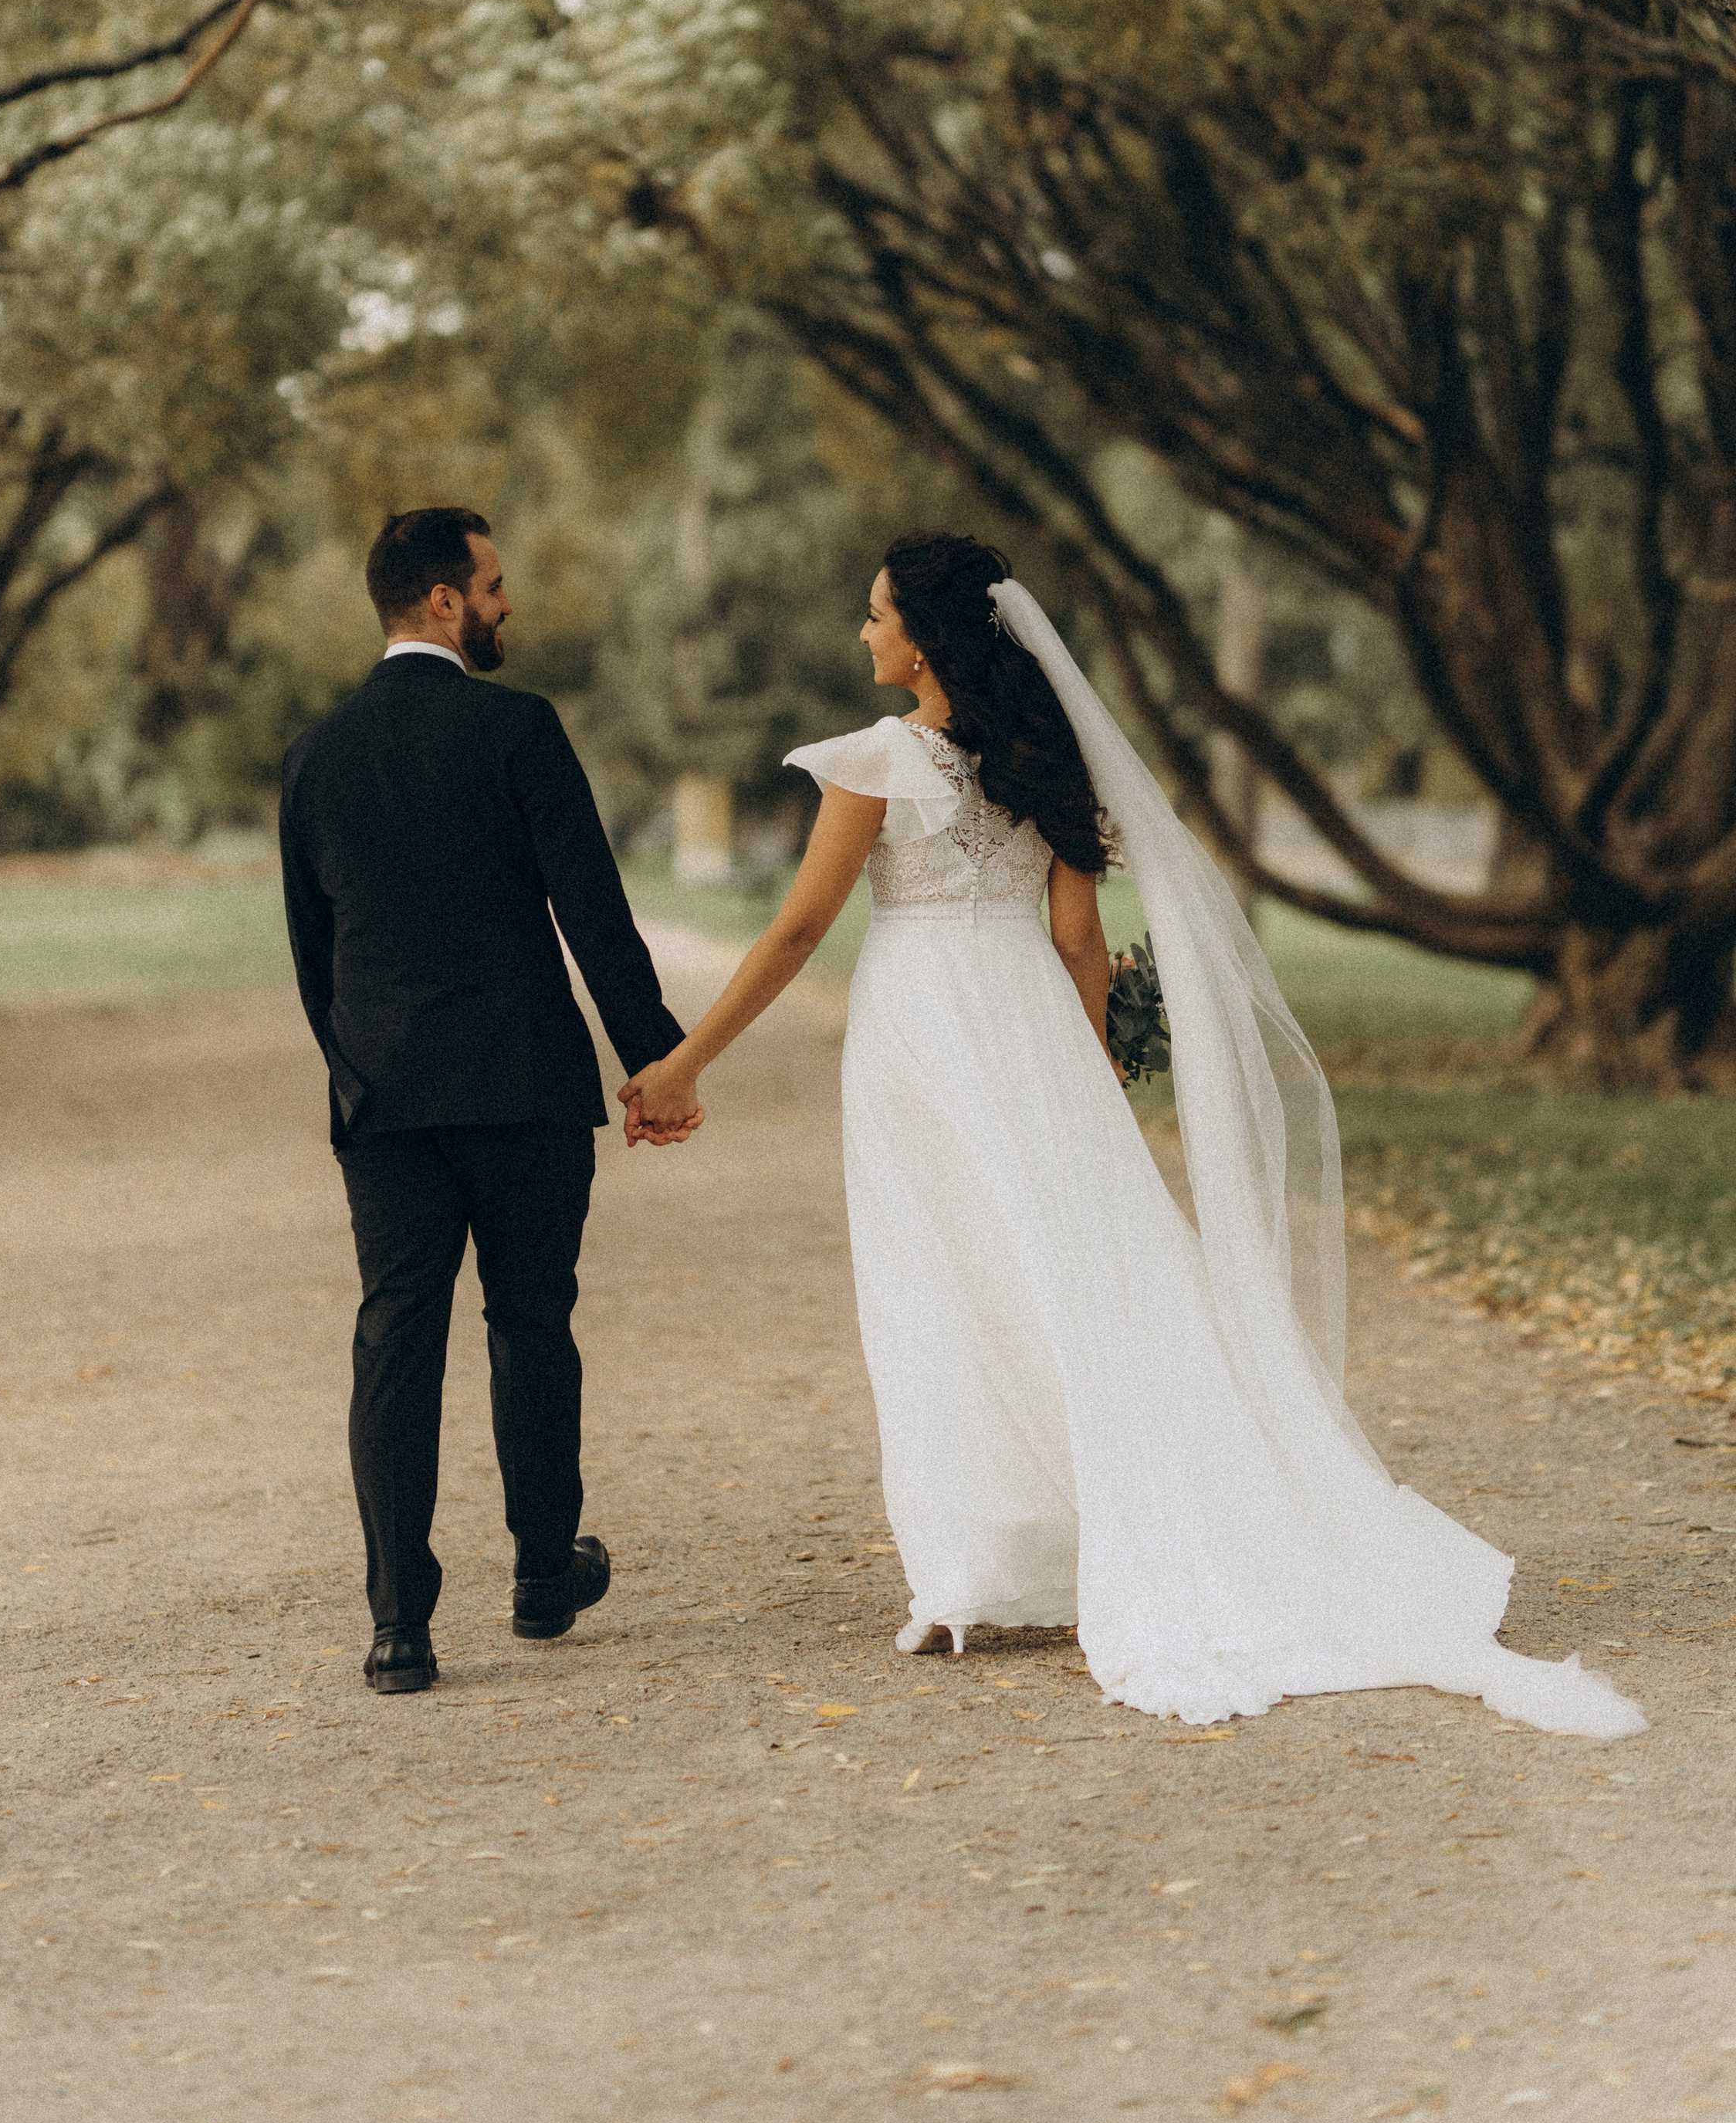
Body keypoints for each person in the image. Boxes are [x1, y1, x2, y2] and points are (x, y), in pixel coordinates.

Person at [619, 532, 1643, 1741]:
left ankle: (975, 1573)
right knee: (1081, 1283)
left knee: (944, 1284)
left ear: (928, 637)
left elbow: (797, 935)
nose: (865, 632)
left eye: (878, 612)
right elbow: (1074, 945)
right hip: (1035, 1039)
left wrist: (686, 1062)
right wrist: (1096, 1065)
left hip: (925, 1039)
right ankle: (1059, 1546)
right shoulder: (1047, 761)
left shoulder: (878, 764)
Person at [280, 506, 696, 1695]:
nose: (508, 603)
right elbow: (594, 914)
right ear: (447, 600)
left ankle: (399, 1627)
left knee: (394, 1342)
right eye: (496, 584)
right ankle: (538, 1576)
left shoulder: (316, 752)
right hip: (523, 1087)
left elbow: (318, 959)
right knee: (530, 1323)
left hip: (387, 1098)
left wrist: (360, 1072)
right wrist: (653, 1060)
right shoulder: (518, 729)